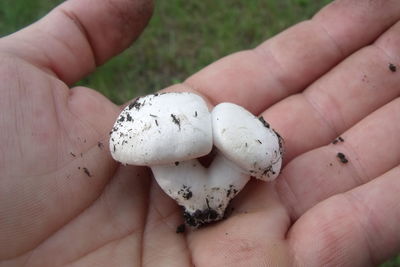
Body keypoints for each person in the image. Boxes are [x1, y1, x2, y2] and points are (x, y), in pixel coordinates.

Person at [0, 0, 399, 266]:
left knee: (210, 189)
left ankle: (204, 209)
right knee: (203, 189)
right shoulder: (157, 130)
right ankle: (202, 209)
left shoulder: (222, 133)